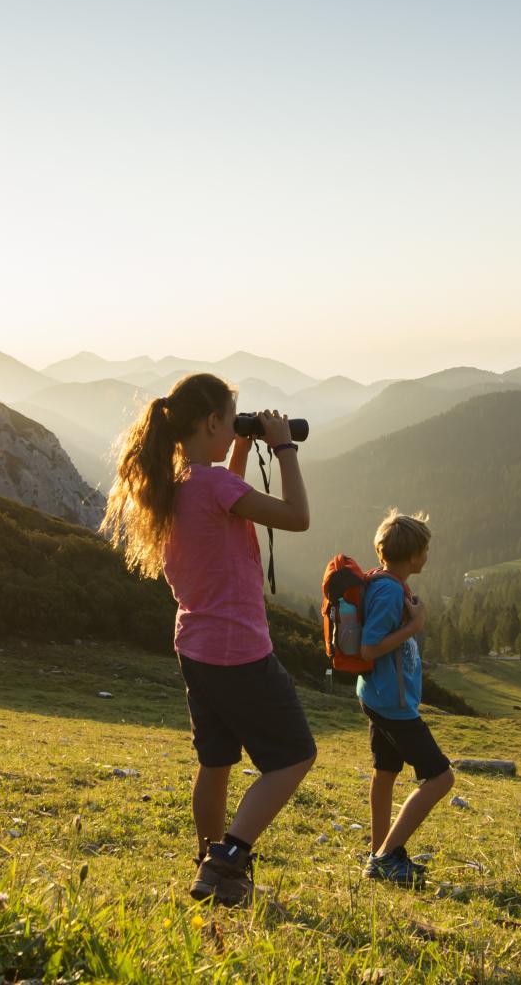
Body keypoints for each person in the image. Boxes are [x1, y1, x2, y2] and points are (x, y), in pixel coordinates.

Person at [101, 372, 313, 908]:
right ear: (212, 421)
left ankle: (207, 865)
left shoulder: (175, 486)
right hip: (240, 648)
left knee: (215, 761)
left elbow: (227, 498)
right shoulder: (216, 487)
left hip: (195, 648)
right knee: (293, 756)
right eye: (232, 418)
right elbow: (297, 517)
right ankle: (230, 856)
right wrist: (284, 448)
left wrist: (240, 446)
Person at [356, 509, 454, 886]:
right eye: (425, 550)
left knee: (386, 772)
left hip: (380, 696)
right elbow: (369, 649)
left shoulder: (383, 582)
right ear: (414, 556)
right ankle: (386, 857)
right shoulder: (389, 591)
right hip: (392, 704)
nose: (427, 556)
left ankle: (379, 849)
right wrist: (414, 625)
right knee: (440, 778)